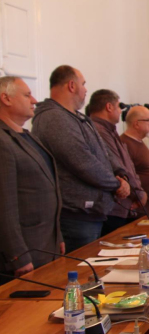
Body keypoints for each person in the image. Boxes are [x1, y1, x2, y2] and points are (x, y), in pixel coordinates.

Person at [32, 65, 129, 252]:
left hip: (93, 213)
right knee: (80, 275)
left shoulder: (78, 118)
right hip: (76, 216)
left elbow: (104, 152)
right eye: (83, 84)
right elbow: (83, 162)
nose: (86, 90)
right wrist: (117, 184)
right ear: (71, 86)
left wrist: (120, 173)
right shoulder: (54, 118)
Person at [0, 77, 64, 282]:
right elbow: (5, 204)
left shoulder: (27, 135)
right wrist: (17, 255)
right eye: (27, 95)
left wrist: (58, 236)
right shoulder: (2, 141)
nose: (34, 100)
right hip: (25, 251)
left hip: (46, 243)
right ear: (5, 98)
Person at [88, 89, 147, 235]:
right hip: (115, 206)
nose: (121, 111)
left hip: (124, 204)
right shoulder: (99, 131)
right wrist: (138, 194)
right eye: (118, 106)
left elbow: (128, 166)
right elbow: (118, 166)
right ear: (109, 107)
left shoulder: (109, 130)